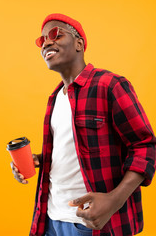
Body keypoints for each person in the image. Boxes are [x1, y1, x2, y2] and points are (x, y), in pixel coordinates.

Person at [11, 13, 156, 236]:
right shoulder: (55, 98)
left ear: (79, 43)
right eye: (41, 40)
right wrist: (38, 160)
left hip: (91, 223)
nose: (47, 42)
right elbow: (73, 150)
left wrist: (113, 201)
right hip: (49, 217)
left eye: (55, 34)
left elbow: (145, 147)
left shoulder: (110, 85)